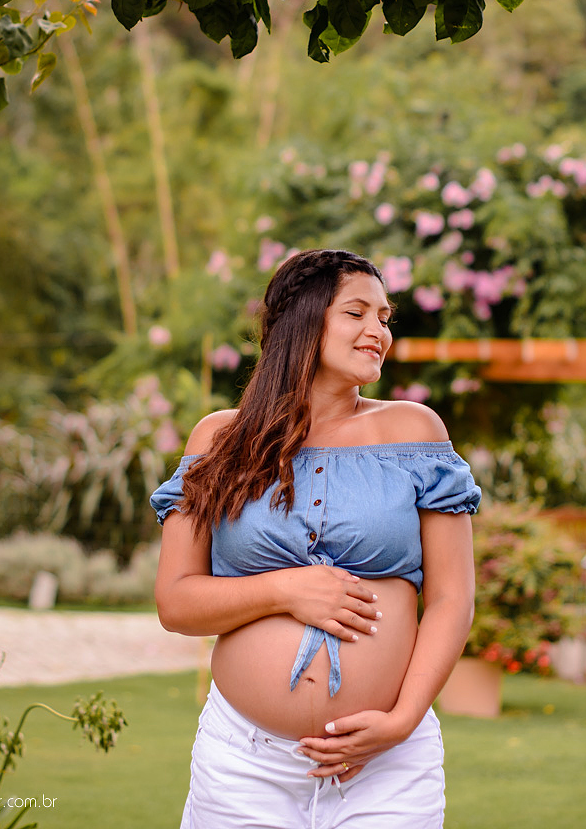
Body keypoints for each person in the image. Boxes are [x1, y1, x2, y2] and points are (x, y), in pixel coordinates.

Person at [151, 248, 480, 829]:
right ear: (302, 320)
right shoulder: (217, 439)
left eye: (384, 318)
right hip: (243, 764)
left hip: (388, 765)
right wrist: (286, 590)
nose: (378, 331)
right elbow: (176, 602)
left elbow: (453, 599)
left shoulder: (415, 431)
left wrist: (401, 721)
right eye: (357, 313)